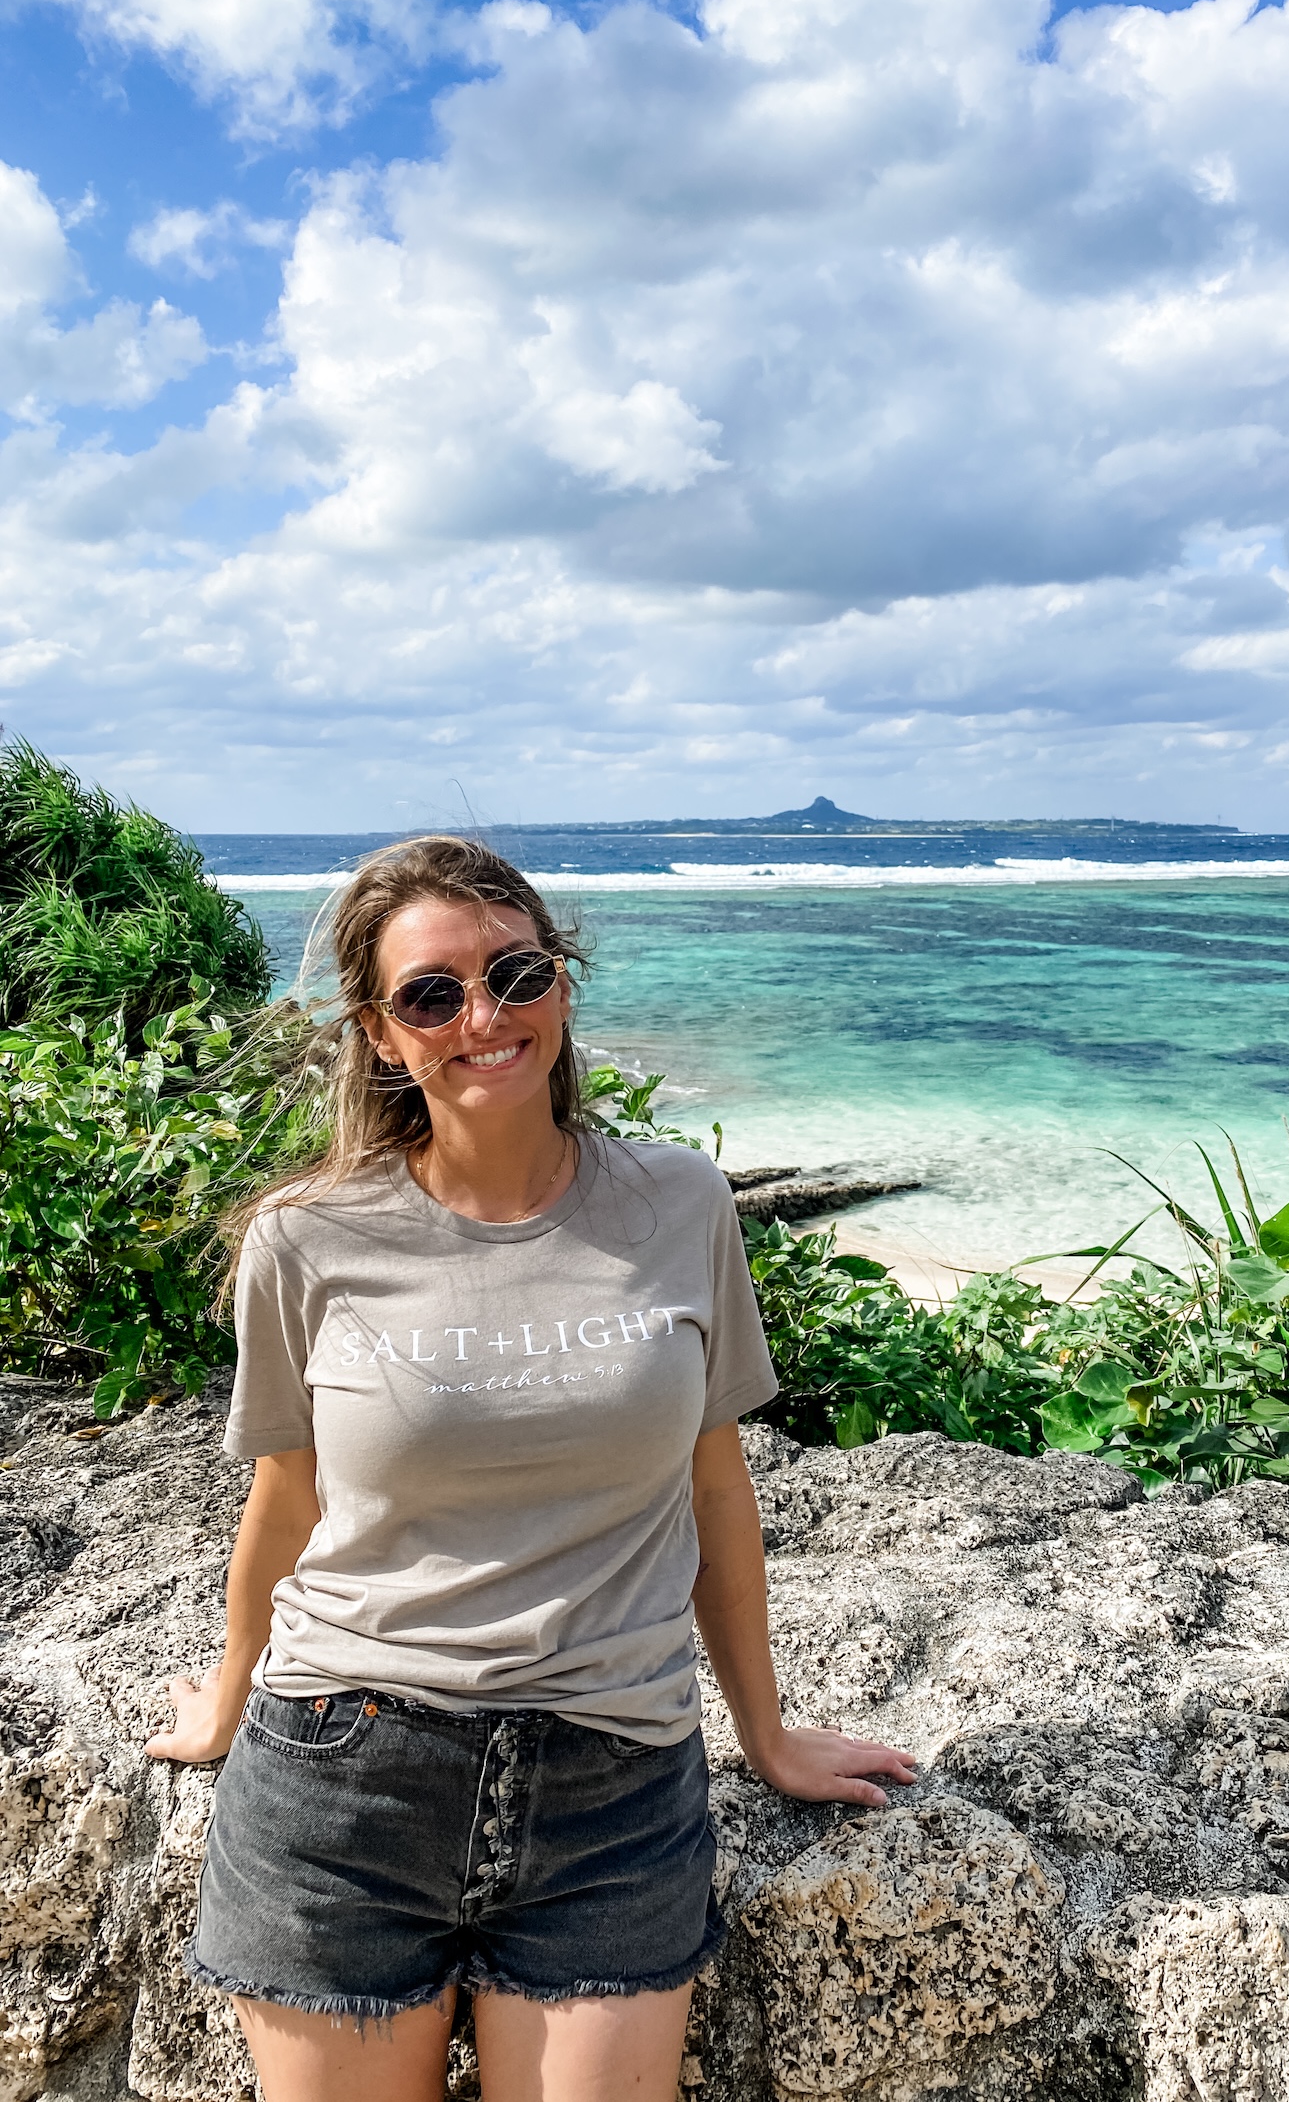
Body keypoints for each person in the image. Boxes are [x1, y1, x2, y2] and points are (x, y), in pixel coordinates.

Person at [146, 835, 915, 2102]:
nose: (483, 1017)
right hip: (346, 1772)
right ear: (382, 1034)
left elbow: (714, 1484)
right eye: (431, 995)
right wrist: (226, 1700)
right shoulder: (306, 1237)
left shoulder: (680, 1203)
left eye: (517, 973)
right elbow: (284, 1498)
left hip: (612, 1779)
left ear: (563, 982)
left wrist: (765, 1732)